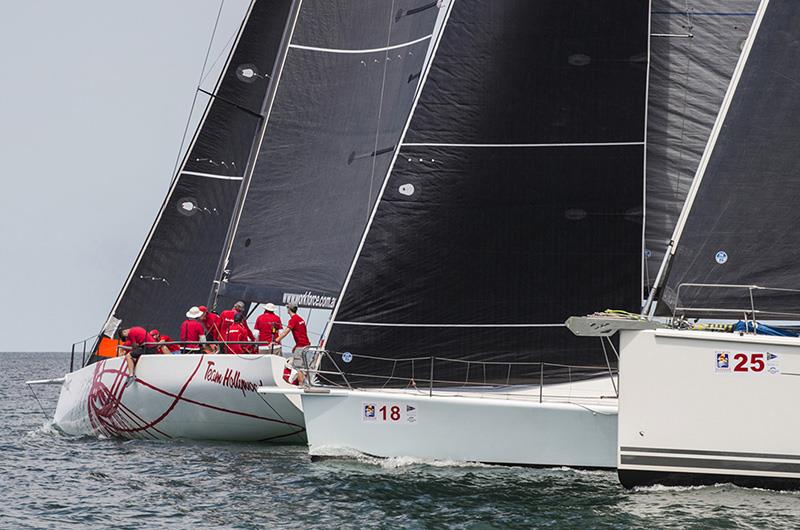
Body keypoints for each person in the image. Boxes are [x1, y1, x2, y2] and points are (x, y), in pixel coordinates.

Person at [276, 303, 311, 384]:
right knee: (302, 366)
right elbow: (302, 334)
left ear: (288, 309)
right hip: (306, 345)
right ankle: (304, 383)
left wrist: (276, 340)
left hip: (301, 346)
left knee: (298, 366)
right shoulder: (300, 319)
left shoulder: (293, 320)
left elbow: (286, 332)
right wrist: (296, 345)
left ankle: (301, 385)